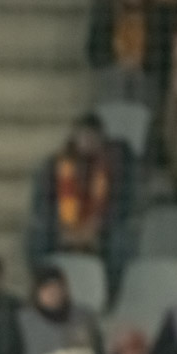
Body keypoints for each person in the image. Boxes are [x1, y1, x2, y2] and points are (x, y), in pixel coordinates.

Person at [29, 114, 132, 282]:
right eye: (83, 135)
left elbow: (122, 204)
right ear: (74, 137)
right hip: (62, 229)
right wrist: (61, 229)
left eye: (93, 136)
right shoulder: (53, 165)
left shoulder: (114, 166)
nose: (88, 141)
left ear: (101, 138)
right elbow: (41, 204)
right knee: (36, 236)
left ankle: (111, 289)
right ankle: (43, 284)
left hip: (99, 230)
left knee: (120, 240)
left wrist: (98, 226)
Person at [17, 264, 105, 354]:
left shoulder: (85, 319)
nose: (53, 293)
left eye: (57, 287)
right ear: (36, 292)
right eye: (47, 288)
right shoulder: (23, 323)